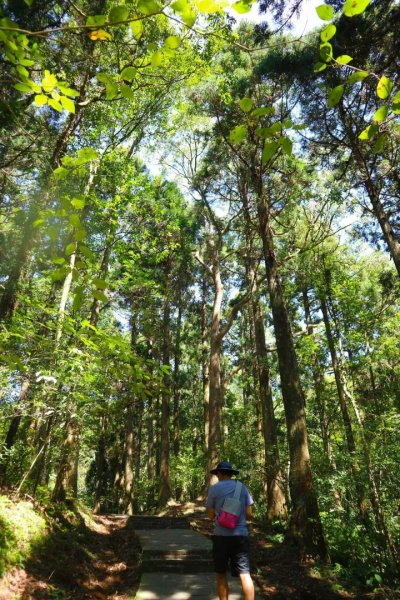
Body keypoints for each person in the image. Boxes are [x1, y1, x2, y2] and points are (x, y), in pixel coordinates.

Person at [206, 460, 255, 600]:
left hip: (221, 536)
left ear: (220, 473)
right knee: (245, 574)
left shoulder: (215, 488)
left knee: (221, 574)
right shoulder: (242, 487)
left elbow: (210, 515)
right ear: (231, 474)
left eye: (217, 474)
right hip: (240, 536)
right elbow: (249, 514)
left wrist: (221, 515)